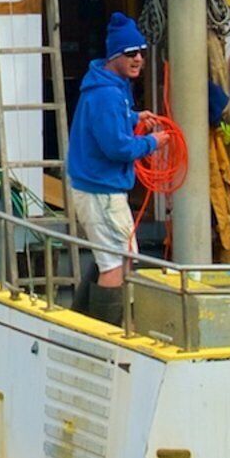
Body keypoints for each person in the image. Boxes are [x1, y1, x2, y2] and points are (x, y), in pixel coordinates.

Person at [65, 17, 163, 316]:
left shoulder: (108, 86)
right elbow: (117, 148)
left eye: (142, 52)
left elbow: (110, 122)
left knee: (115, 257)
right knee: (117, 262)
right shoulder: (108, 94)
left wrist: (135, 118)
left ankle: (80, 317)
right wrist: (154, 143)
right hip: (102, 192)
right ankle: (106, 333)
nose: (138, 59)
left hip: (96, 188)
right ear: (114, 56)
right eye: (131, 53)